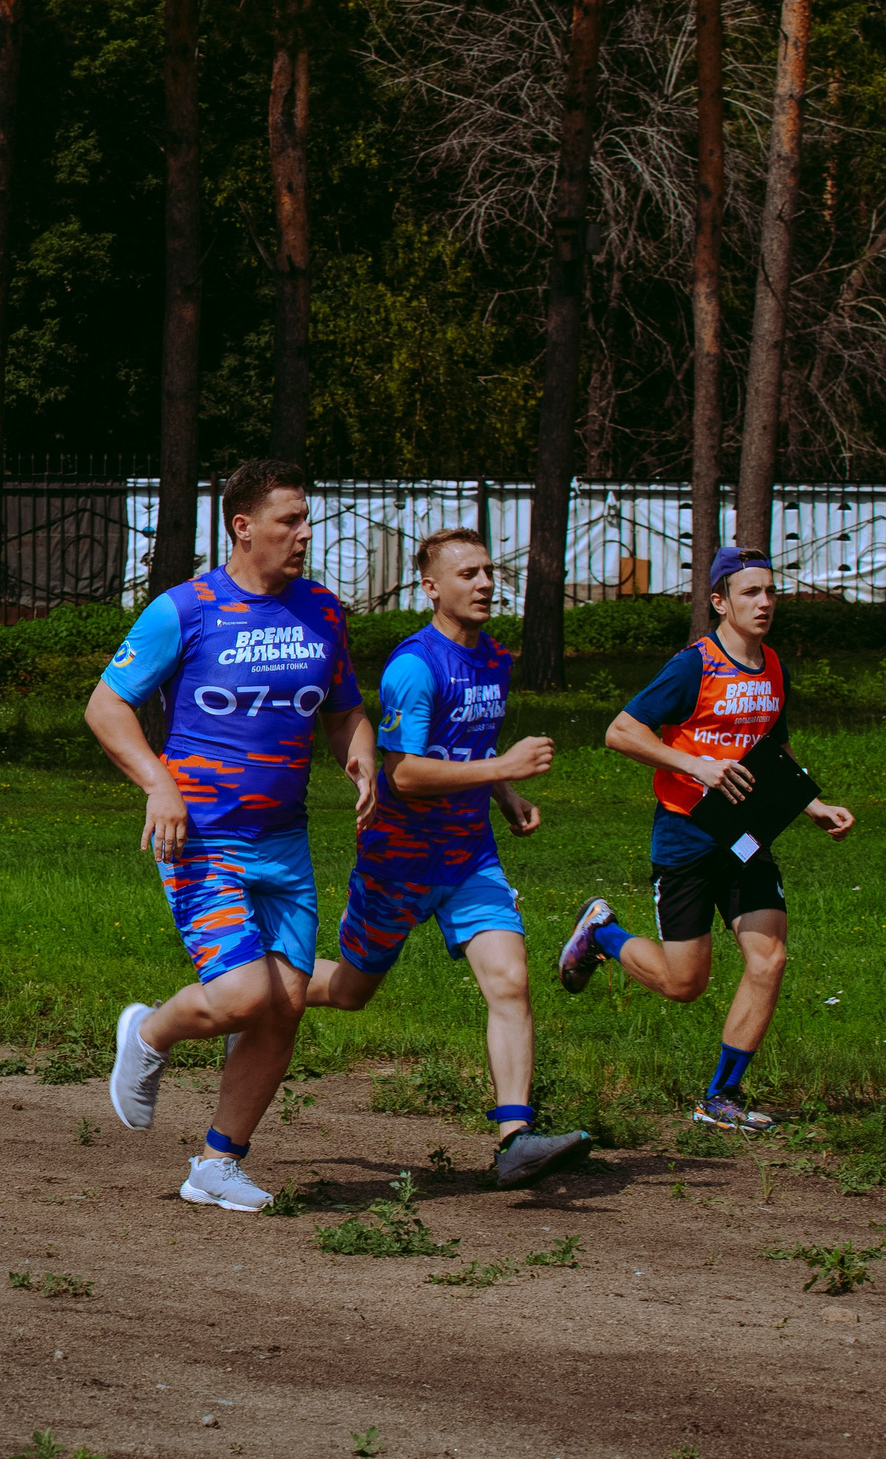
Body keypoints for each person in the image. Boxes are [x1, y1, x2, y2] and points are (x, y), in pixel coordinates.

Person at [88, 459, 375, 1213]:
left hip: (285, 843)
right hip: (202, 837)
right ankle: (148, 1032)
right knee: (246, 995)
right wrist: (159, 785)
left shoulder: (323, 612)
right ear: (243, 527)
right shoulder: (185, 610)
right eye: (290, 520)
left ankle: (217, 1163)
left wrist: (360, 755)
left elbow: (343, 708)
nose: (305, 534)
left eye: (307, 519)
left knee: (285, 1004)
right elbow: (106, 707)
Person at [303, 529, 592, 1189]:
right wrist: (504, 768)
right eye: (468, 574)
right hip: (399, 861)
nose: (485, 583)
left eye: (488, 570)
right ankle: (258, 991)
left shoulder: (494, 658)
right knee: (350, 991)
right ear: (431, 587)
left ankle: (515, 1138)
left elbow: (468, 747)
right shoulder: (414, 666)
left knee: (510, 980)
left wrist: (506, 795)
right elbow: (403, 773)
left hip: (468, 856)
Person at [558, 546, 855, 1131]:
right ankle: (601, 934)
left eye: (770, 591)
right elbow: (620, 731)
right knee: (684, 983)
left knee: (769, 958)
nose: (764, 603)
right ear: (720, 602)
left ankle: (721, 1097)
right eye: (750, 593)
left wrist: (812, 805)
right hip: (686, 835)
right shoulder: (694, 666)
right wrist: (697, 766)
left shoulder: (773, 666)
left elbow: (774, 750)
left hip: (746, 836)